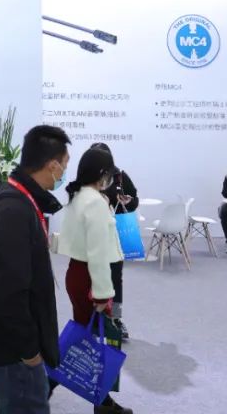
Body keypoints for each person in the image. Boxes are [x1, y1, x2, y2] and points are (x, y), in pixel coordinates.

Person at [0, 125, 69, 414]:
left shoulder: (18, 199)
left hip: (9, 347)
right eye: (64, 164)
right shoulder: (14, 210)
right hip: (12, 352)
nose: (64, 172)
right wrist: (30, 352)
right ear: (52, 165)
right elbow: (9, 291)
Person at [59, 147, 133, 414]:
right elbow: (98, 253)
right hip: (90, 278)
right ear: (102, 173)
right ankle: (43, 388)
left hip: (78, 274)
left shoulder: (80, 196)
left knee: (85, 338)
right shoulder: (95, 202)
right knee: (86, 340)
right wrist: (102, 293)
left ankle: (102, 402)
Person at [93, 142, 138, 339]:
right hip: (93, 237)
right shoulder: (87, 178)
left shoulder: (119, 176)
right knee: (92, 278)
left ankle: (116, 319)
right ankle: (93, 319)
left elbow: (134, 201)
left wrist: (128, 200)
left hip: (115, 237)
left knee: (115, 280)